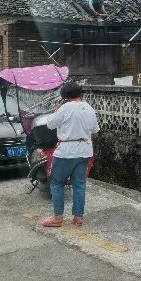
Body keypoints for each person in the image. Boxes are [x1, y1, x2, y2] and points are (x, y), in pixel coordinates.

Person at [41, 81, 100, 228]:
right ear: (80, 93)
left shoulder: (64, 108)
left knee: (57, 182)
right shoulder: (89, 108)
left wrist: (56, 110)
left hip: (66, 151)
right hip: (84, 150)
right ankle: (78, 217)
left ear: (64, 95)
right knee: (79, 184)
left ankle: (57, 217)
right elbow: (95, 129)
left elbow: (50, 124)